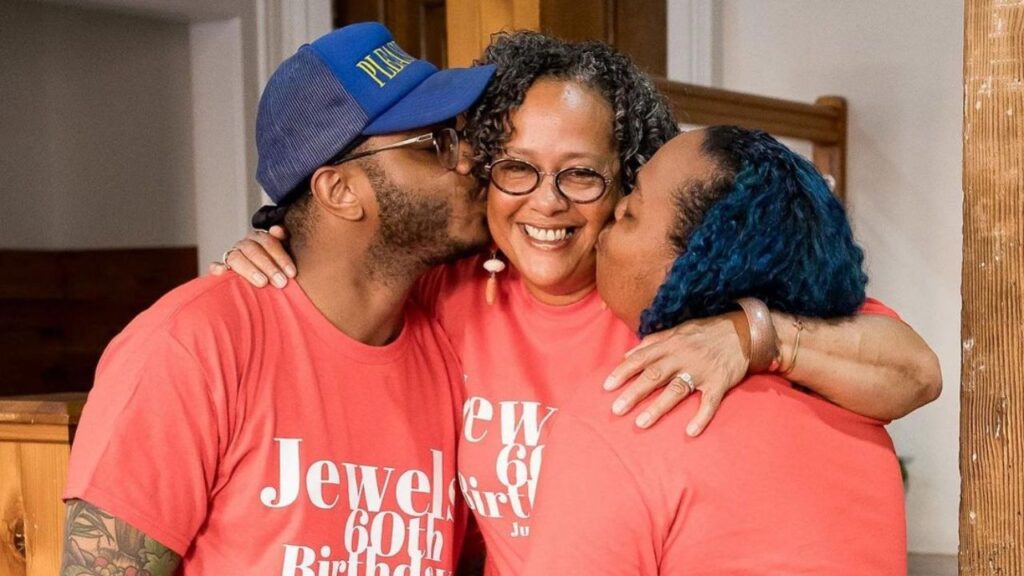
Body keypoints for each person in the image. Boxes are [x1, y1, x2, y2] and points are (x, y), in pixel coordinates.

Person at [216, 32, 940, 575]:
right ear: (484, 173)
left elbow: (915, 371)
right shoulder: (449, 289)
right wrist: (272, 250)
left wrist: (756, 334)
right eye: (518, 169)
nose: (547, 202)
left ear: (628, 180)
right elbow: (353, 252)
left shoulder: (683, 300)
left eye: (582, 175)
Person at [61, 23, 495, 575]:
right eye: (434, 144)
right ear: (339, 191)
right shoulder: (190, 345)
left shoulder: (453, 339)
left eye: (458, 135)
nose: (467, 161)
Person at [521, 126, 908, 575]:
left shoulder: (621, 416)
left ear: (689, 264)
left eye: (632, 213)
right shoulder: (857, 405)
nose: (614, 209)